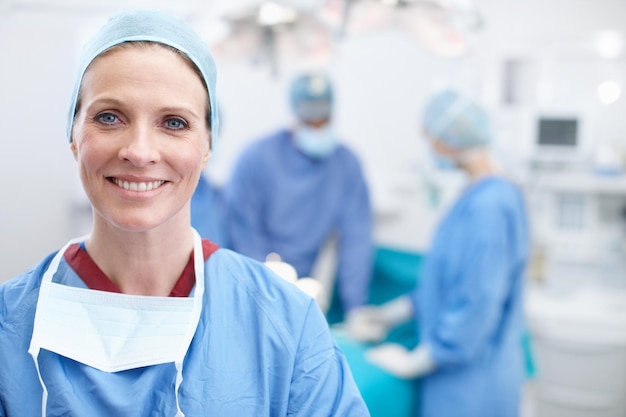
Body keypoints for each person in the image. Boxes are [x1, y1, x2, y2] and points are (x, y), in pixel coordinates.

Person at [0, 10, 370, 417]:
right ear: (73, 135)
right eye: (109, 117)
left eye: (174, 123)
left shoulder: (286, 323)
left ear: (208, 145)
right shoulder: (9, 324)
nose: (140, 152)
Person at [345, 89, 530, 417]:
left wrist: (418, 360)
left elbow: (477, 303)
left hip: (471, 389)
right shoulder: (476, 196)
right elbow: (447, 285)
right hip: (458, 379)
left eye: (431, 139)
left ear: (452, 140)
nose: (430, 149)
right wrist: (389, 314)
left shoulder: (490, 207)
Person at [225, 72, 374, 320]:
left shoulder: (346, 165)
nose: (317, 127)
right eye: (309, 121)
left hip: (305, 284)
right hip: (254, 281)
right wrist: (270, 281)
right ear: (294, 116)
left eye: (322, 120)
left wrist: (355, 306)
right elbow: (244, 232)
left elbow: (356, 240)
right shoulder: (257, 158)